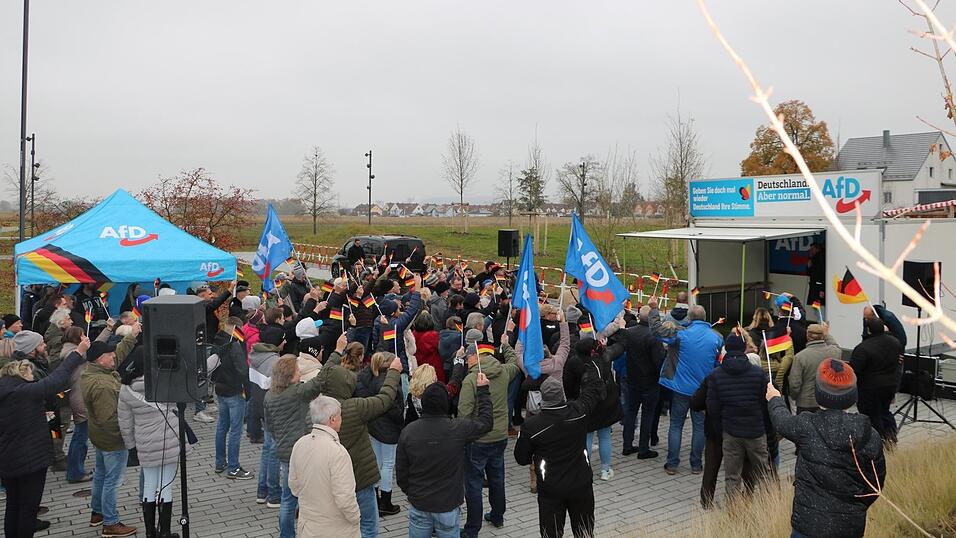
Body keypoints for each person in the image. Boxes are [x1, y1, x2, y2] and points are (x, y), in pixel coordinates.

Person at [766, 358, 886, 538]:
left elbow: (781, 421)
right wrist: (854, 508)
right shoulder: (870, 435)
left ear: (818, 393)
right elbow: (875, 485)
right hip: (849, 527)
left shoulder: (806, 426)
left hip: (808, 525)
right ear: (853, 395)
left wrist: (774, 398)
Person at [0, 336, 88, 536]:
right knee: (28, 508)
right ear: (22, 373)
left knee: (13, 504)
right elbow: (58, 378)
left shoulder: (6, 390)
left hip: (7, 460)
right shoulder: (24, 392)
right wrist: (78, 351)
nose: (33, 376)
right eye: (31, 372)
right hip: (30, 461)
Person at [514, 359, 607, 538]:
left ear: (543, 397)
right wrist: (594, 360)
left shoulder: (532, 426)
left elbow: (521, 458)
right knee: (585, 532)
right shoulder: (579, 412)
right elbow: (592, 393)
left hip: (551, 488)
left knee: (551, 534)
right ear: (562, 395)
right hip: (581, 484)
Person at [397, 370, 492, 538]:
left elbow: (401, 473)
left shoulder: (408, 432)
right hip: (448, 504)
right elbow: (485, 423)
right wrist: (483, 391)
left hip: (420, 503)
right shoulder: (457, 428)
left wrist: (412, 492)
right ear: (446, 403)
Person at [323, 351, 403, 538]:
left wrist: (336, 351)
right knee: (368, 526)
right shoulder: (354, 407)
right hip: (360, 478)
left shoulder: (316, 409)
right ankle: (385, 502)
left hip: (332, 481)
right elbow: (385, 399)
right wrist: (393, 373)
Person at [648, 298, 722, 475]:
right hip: (702, 390)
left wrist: (653, 309)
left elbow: (656, 330)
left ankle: (672, 464)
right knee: (699, 426)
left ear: (689, 318)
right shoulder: (717, 338)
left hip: (680, 388)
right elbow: (719, 363)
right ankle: (696, 465)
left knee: (676, 424)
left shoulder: (681, 334)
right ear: (705, 318)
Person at [264, 347, 332, 538]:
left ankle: (286, 535)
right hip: (304, 452)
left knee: (288, 498)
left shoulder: (270, 396)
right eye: (297, 370)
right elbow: (319, 382)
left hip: (285, 453)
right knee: (309, 496)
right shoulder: (298, 392)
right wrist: (337, 352)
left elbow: (268, 425)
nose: (300, 372)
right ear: (290, 375)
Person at [117, 351, 186, 538]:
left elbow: (125, 423)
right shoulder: (163, 382)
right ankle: (165, 531)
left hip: (144, 442)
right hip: (168, 441)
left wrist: (131, 446)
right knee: (166, 486)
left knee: (149, 484)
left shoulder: (125, 388)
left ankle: (150, 533)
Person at [457, 335, 520, 537]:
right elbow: (514, 363)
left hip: (477, 439)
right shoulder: (502, 371)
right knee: (497, 477)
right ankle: (497, 516)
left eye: (468, 357)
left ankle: (472, 528)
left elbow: (464, 413)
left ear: (475, 357)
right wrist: (506, 344)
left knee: (473, 484)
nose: (467, 361)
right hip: (499, 436)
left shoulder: (470, 380)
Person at [706, 332, 771, 501]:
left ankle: (734, 513)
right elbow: (765, 404)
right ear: (745, 349)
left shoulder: (716, 375)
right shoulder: (758, 374)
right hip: (755, 431)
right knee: (764, 474)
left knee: (732, 476)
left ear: (726, 348)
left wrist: (722, 429)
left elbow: (712, 408)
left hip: (731, 431)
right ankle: (769, 509)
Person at [82, 340, 138, 537]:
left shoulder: (95, 372)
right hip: (112, 440)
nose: (114, 357)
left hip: (99, 437)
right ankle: (111, 523)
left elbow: (119, 353)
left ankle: (97, 513)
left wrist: (130, 337)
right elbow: (109, 419)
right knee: (112, 481)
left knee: (101, 475)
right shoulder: (102, 385)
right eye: (109, 355)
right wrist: (126, 437)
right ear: (100, 359)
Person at [289, 395, 360, 537]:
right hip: (336, 529)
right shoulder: (338, 452)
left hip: (308, 527)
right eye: (340, 416)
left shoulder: (300, 444)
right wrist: (355, 517)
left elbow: (294, 487)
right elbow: (345, 498)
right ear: (333, 419)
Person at [354, 351, 405, 517]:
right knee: (388, 464)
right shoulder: (389, 383)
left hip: (374, 427)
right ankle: (386, 501)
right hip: (389, 429)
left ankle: (375, 497)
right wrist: (401, 422)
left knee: (377, 461)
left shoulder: (370, 377)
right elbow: (394, 409)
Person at [850, 318, 904, 447]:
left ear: (868, 330)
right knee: (885, 411)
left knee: (872, 415)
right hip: (890, 385)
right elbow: (898, 361)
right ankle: (891, 438)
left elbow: (855, 370)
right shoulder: (895, 342)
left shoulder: (863, 348)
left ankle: (878, 442)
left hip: (869, 388)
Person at [211, 318, 252, 485]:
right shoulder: (234, 346)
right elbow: (243, 369)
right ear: (236, 329)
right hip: (235, 391)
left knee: (222, 427)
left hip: (220, 390)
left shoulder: (216, 342)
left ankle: (220, 462)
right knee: (235, 431)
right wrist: (248, 391)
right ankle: (233, 467)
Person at [620, 306, 665, 458]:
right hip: (650, 381)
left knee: (631, 411)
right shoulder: (654, 337)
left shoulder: (629, 333)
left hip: (632, 378)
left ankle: (627, 445)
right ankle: (643, 448)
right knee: (648, 413)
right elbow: (658, 361)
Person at [789, 324, 841, 415]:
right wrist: (827, 334)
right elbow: (835, 345)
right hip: (828, 400)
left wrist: (794, 397)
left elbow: (795, 384)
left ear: (807, 336)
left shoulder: (800, 357)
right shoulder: (835, 352)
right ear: (823, 336)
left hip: (806, 403)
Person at [806, 242, 826, 309]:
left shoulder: (821, 259)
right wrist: (809, 266)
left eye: (812, 249)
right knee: (814, 306)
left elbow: (823, 274)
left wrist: (823, 289)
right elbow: (808, 273)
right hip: (813, 286)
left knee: (819, 306)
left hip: (819, 287)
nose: (811, 251)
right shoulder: (812, 259)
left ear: (817, 249)